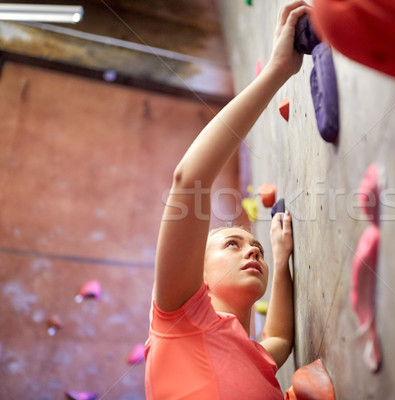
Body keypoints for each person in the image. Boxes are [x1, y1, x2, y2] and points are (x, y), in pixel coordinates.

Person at [144, 2, 309, 399]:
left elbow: (278, 341)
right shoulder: (180, 320)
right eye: (233, 244)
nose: (253, 252)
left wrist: (281, 257)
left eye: (253, 247)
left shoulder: (206, 333)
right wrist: (277, 71)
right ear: (196, 276)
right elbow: (280, 341)